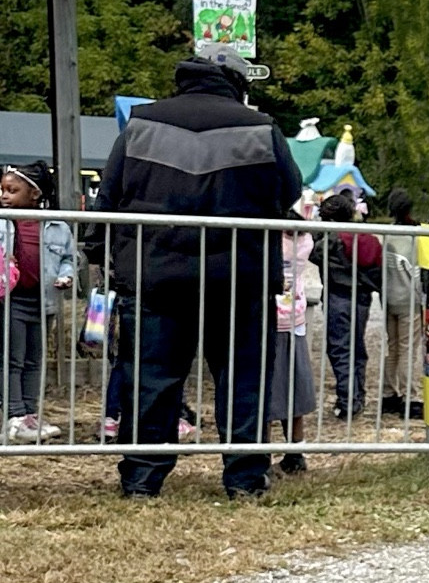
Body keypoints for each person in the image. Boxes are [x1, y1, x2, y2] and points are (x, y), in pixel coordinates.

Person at [93, 44, 302, 499]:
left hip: (155, 276)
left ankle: (141, 480)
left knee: (151, 380)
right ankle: (244, 480)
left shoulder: (143, 124)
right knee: (242, 381)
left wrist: (103, 255)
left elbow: (108, 197)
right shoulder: (261, 128)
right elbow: (288, 190)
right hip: (239, 278)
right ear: (239, 83)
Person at [1, 160, 75, 440]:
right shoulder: (2, 222)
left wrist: (66, 275)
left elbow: (69, 258)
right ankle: (15, 414)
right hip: (12, 300)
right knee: (12, 358)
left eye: (12, 190)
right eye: (2, 190)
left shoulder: (56, 226)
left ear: (34, 194)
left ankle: (31, 414)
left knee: (35, 359)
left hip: (43, 301)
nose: (4, 196)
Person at [318, 188, 383, 417]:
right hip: (363, 299)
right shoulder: (366, 238)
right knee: (356, 348)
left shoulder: (332, 240)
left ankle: (347, 401)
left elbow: (314, 254)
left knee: (340, 349)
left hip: (339, 297)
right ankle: (358, 395)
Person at [268, 212, 318, 473]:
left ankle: (260, 452)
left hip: (271, 318)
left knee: (265, 390)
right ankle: (295, 450)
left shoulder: (272, 237)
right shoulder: (304, 239)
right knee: (294, 388)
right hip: (295, 317)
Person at [380, 185, 422, 420]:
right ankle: (410, 396)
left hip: (389, 298)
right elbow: (416, 272)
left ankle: (388, 393)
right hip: (409, 300)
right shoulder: (414, 237)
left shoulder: (387, 235)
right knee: (408, 350)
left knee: (392, 347)